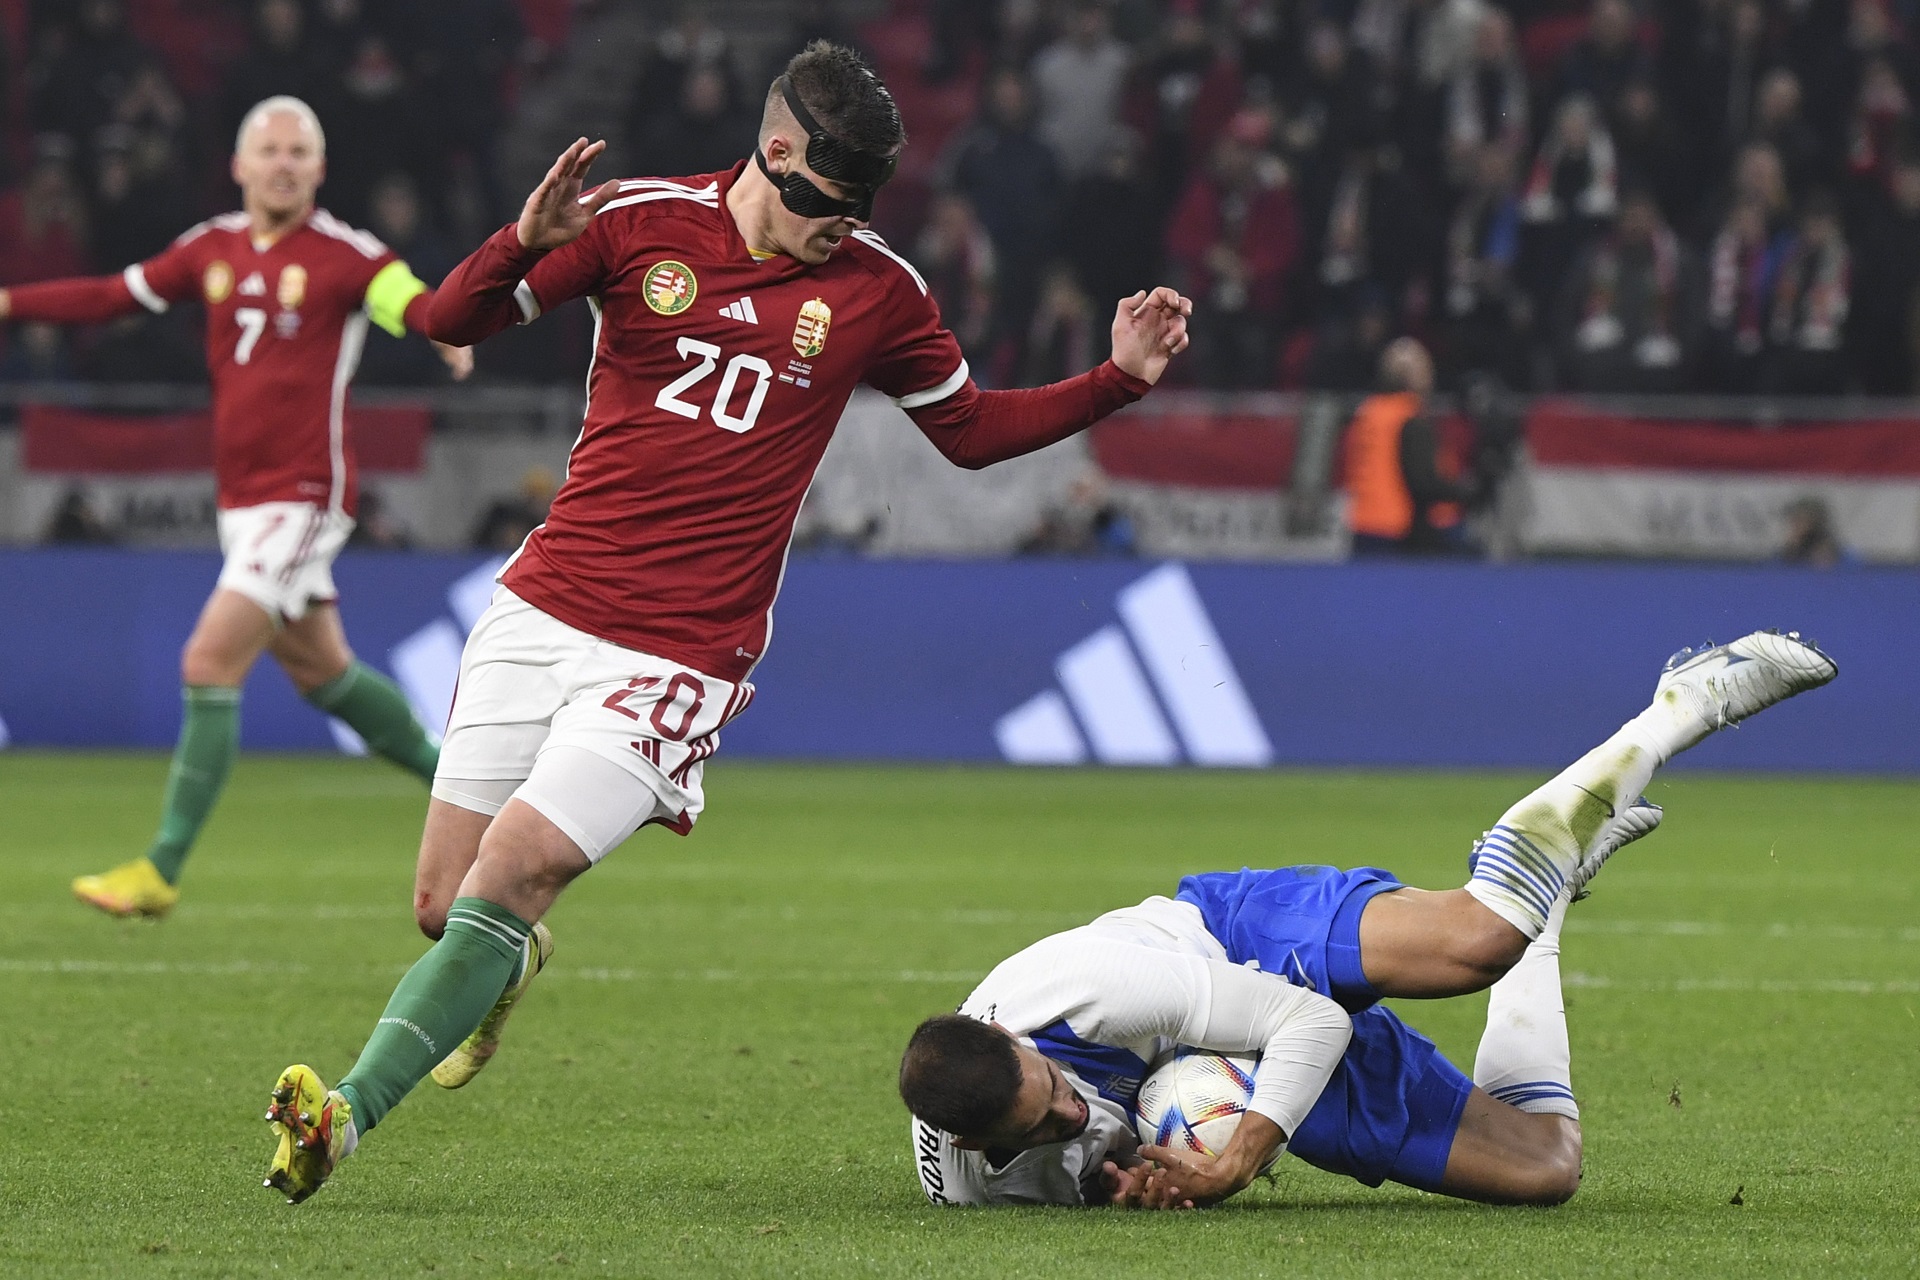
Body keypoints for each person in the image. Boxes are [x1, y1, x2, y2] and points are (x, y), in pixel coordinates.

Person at [259, 41, 1193, 1204]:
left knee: (515, 868)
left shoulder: (879, 291)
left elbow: (972, 431)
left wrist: (1117, 378)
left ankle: (344, 1114)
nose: (843, 227)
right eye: (827, 202)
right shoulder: (632, 221)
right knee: (448, 907)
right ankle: (505, 958)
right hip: (543, 603)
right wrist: (522, 242)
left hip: (681, 652)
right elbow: (453, 317)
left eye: (861, 209)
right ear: (776, 152)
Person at [899, 631, 1838, 1207]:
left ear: (1012, 1038)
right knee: (1546, 1169)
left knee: (1477, 941)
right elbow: (1104, 1167)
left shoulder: (1083, 991)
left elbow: (1309, 1018)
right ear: (980, 1145)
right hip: (1236, 1066)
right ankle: (1546, 908)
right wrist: (1146, 1181)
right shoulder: (974, 1186)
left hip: (1232, 943)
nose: (1069, 1109)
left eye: (1052, 1084)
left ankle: (1685, 703)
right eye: (1045, 1121)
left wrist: (1238, 1158)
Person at [0, 97, 472, 919]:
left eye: (298, 151)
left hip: (306, 496)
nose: (283, 163)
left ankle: (161, 868)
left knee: (208, 661)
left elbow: (412, 300)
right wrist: (12, 303)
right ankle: (473, 793)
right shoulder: (209, 248)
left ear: (320, 169)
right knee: (324, 674)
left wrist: (446, 323)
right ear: (240, 165)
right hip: (244, 502)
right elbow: (111, 295)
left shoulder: (348, 256)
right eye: (270, 150)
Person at [1344, 338, 1474, 555]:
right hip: (1396, 530)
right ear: (1413, 377)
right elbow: (1422, 481)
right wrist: (1466, 492)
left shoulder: (1367, 413)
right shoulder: (1408, 418)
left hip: (1362, 524)